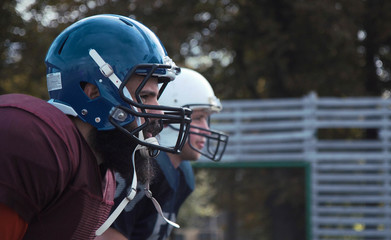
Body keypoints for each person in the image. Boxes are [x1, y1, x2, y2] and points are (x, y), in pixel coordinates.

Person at [0, 14, 192, 240]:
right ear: (92, 92)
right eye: (145, 96)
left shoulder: (101, 171)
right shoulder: (31, 139)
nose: (158, 112)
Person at [98, 68, 228, 240]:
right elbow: (104, 233)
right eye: (198, 118)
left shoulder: (182, 173)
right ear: (168, 117)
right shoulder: (144, 162)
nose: (207, 130)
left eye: (206, 119)